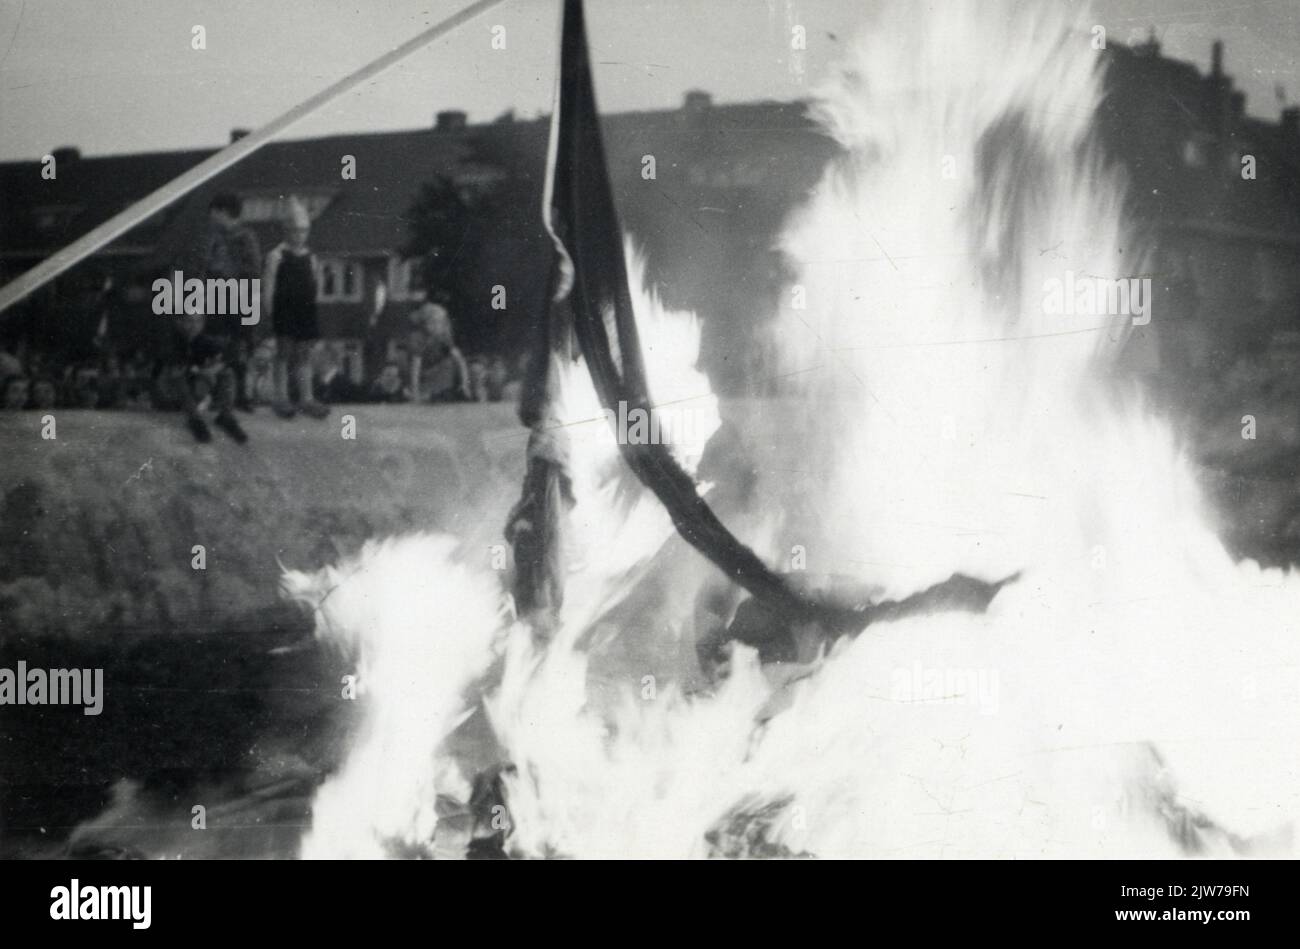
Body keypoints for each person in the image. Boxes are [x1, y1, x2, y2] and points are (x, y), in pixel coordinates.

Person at [262, 198, 329, 420]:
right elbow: (269, 287)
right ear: (286, 231)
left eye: (303, 231)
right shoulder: (276, 256)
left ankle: (306, 398)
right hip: (284, 311)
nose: (299, 236)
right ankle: (280, 397)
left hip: (305, 311)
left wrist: (313, 307)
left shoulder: (311, 257)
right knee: (283, 354)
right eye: (295, 231)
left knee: (304, 355)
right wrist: (270, 312)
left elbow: (316, 285)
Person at [201, 193, 262, 412]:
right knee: (217, 347)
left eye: (214, 212)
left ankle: (243, 397)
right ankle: (220, 396)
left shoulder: (245, 237)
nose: (211, 217)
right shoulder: (216, 238)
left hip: (238, 297)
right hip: (218, 297)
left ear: (223, 212)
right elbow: (208, 266)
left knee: (239, 349)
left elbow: (253, 270)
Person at [158, 312, 248, 444]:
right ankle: (195, 419)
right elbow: (176, 368)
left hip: (197, 386)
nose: (193, 326)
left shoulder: (204, 340)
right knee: (178, 375)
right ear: (180, 323)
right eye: (189, 321)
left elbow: (228, 358)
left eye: (197, 322)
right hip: (170, 392)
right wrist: (204, 372)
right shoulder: (172, 341)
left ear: (203, 324)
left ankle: (226, 416)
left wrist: (213, 369)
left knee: (226, 373)